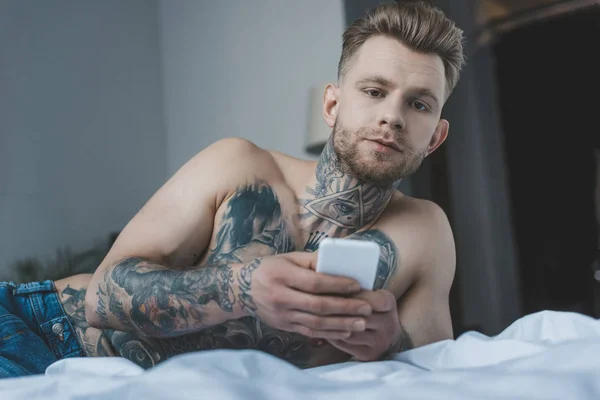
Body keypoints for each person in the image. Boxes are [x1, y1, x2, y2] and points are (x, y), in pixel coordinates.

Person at [0, 0, 465, 377]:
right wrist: (244, 287)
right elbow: (104, 297)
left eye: (419, 103)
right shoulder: (238, 164)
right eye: (374, 91)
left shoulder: (425, 231)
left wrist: (388, 341)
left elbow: (429, 371)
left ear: (436, 138)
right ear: (332, 104)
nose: (392, 116)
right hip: (41, 330)